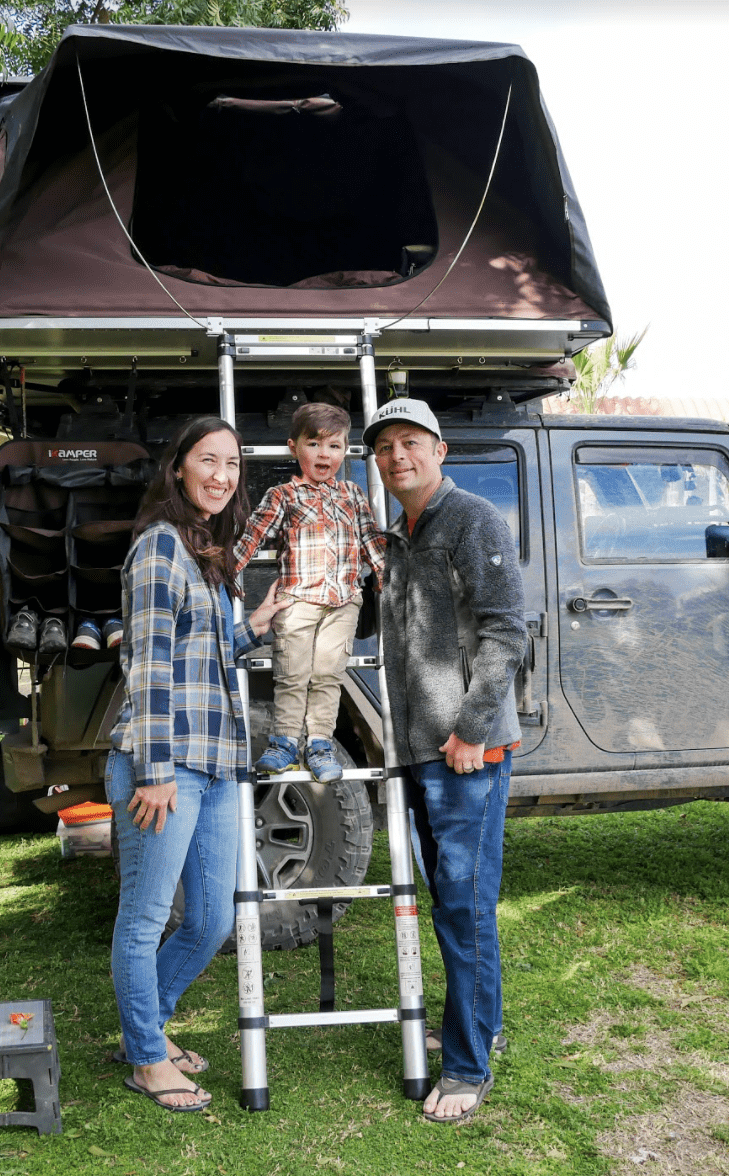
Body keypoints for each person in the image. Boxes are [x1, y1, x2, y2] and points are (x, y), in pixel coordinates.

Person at [106, 416, 290, 1113]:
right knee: (146, 916)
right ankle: (149, 1058)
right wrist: (153, 769)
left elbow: (200, 658)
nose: (222, 475)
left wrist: (253, 627)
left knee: (212, 919)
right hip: (166, 766)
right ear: (178, 468)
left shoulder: (201, 555)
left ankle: (142, 1030)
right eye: (208, 461)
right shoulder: (158, 548)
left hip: (215, 765)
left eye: (233, 464)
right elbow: (149, 666)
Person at [364, 397, 526, 1125]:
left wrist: (470, 730)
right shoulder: (400, 535)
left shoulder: (474, 520)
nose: (398, 456)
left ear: (439, 450)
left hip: (466, 753)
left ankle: (465, 1067)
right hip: (419, 751)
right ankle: (480, 1027)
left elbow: (505, 633)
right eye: (385, 448)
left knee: (463, 906)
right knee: (454, 905)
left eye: (410, 443)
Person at [233, 401, 387, 783]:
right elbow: (253, 535)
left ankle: (319, 742)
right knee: (293, 672)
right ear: (294, 448)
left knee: (328, 673)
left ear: (344, 451)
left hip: (343, 601)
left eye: (334, 446)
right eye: (315, 444)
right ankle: (285, 741)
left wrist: (386, 573)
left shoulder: (352, 494)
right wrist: (228, 572)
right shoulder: (283, 495)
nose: (325, 454)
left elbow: (370, 539)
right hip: (298, 600)